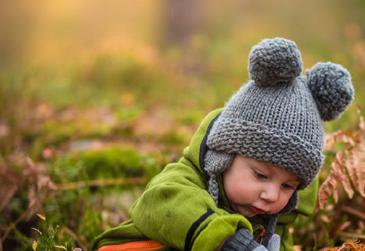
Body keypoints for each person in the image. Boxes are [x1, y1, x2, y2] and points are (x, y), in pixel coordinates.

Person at [92, 38, 354, 251]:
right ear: (223, 155)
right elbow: (157, 205)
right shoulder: (183, 181)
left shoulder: (275, 220)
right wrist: (226, 241)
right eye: (261, 175)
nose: (271, 195)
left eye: (287, 186)